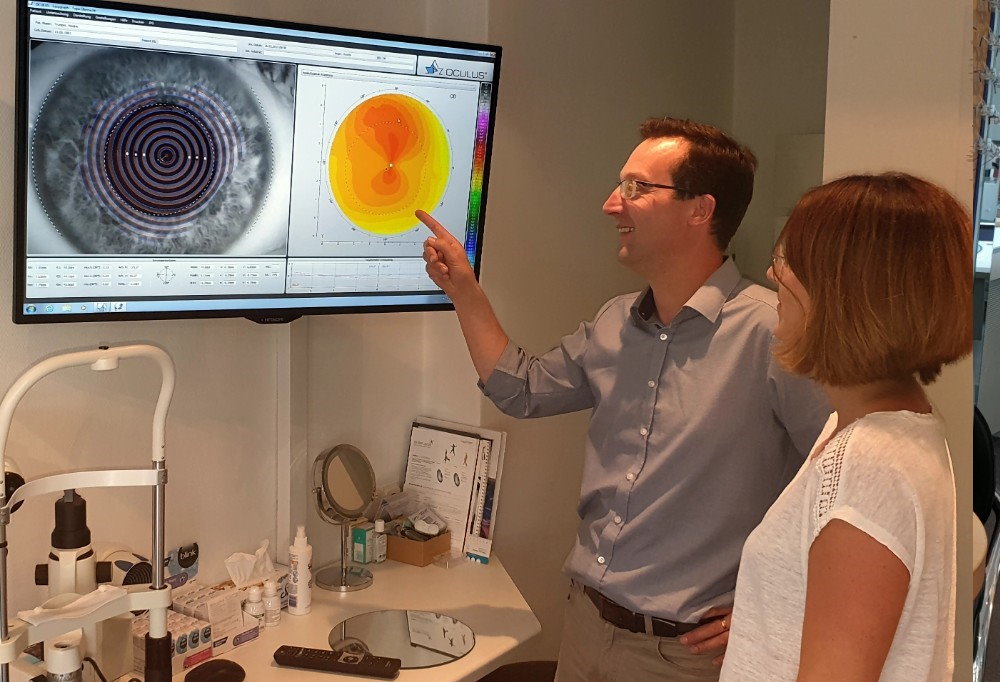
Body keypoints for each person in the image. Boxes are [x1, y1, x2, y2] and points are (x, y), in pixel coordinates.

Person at [417, 117, 829, 682]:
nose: (611, 204)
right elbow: (522, 389)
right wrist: (463, 289)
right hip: (586, 627)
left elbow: (841, 487)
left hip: (686, 658)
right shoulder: (615, 322)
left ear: (700, 210)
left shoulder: (773, 334)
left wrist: (782, 599)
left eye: (636, 187)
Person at [718, 173, 970, 681]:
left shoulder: (870, 464)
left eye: (789, 260)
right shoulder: (867, 427)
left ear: (845, 290)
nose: (772, 273)